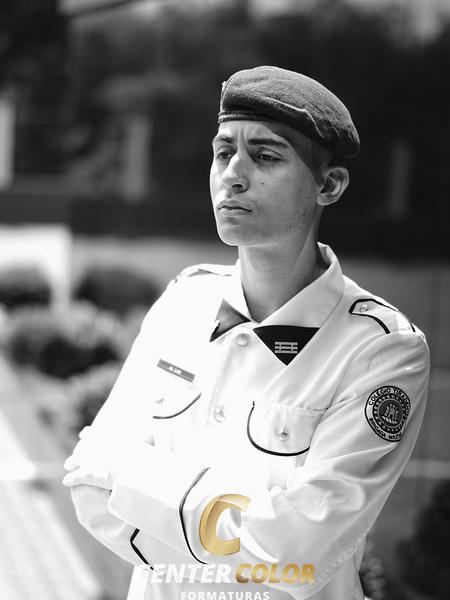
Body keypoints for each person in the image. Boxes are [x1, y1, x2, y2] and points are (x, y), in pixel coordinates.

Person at [63, 66, 430, 600]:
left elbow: (302, 551)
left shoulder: (382, 349)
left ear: (328, 185)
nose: (232, 175)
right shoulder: (183, 301)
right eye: (222, 152)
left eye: (266, 156)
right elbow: (88, 487)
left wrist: (135, 483)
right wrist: (253, 539)